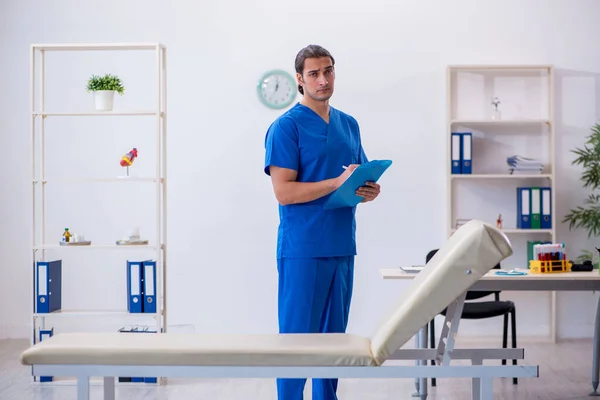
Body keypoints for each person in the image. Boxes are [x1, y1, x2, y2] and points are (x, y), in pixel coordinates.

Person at [263, 44, 381, 400]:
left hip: (342, 245)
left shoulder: (349, 124)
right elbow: (283, 192)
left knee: (333, 345)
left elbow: (355, 176)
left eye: (328, 71)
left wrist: (368, 189)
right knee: (298, 344)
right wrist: (335, 183)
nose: (323, 79)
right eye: (313, 73)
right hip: (303, 249)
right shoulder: (286, 127)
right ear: (299, 80)